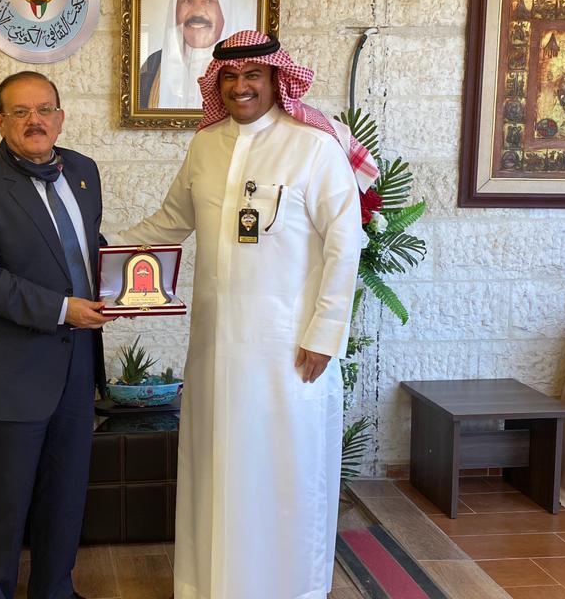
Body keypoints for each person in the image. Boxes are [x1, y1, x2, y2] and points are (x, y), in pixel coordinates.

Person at [112, 30, 379, 599]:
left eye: (253, 75)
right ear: (216, 84)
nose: (240, 87)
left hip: (290, 350)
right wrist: (98, 254)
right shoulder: (205, 146)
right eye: (229, 77)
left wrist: (325, 333)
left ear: (277, 79)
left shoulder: (313, 147)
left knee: (283, 469)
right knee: (217, 469)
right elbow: (168, 224)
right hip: (215, 349)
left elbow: (345, 244)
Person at [0, 71, 113, 599]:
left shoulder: (83, 170)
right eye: (20, 112)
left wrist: (127, 281)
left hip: (77, 364)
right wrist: (63, 309)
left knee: (66, 496)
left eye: (43, 110)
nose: (34, 121)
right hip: (12, 373)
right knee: (4, 506)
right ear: (0, 121)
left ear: (60, 117)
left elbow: (82, 247)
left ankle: (54, 590)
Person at [137, 0, 250, 110]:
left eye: (208, 0)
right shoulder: (153, 65)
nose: (197, 11)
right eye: (187, 0)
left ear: (225, 8)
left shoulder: (247, 69)